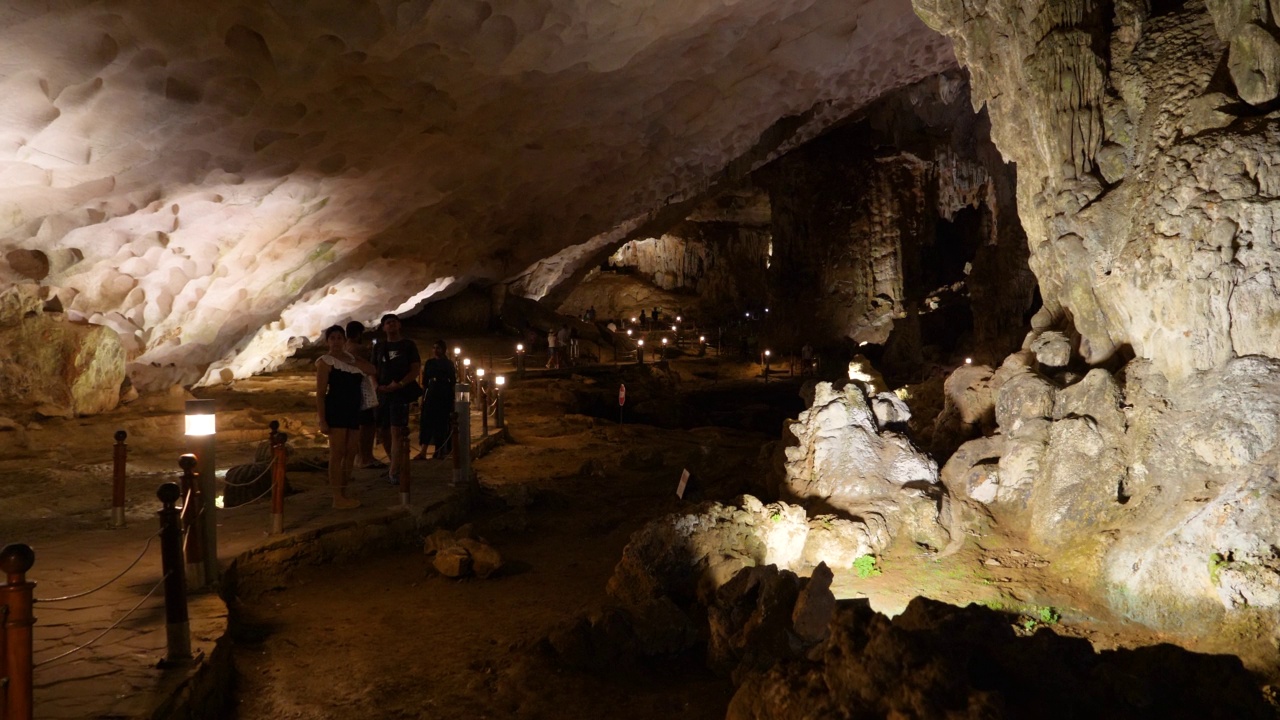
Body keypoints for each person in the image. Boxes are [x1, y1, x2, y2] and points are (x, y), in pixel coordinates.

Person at [316, 325, 375, 509]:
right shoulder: (325, 362)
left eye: (339, 337)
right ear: (327, 341)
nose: (336, 341)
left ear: (344, 340)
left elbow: (372, 370)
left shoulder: (351, 360)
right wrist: (322, 420)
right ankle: (336, 497)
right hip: (336, 409)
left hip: (353, 410)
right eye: (332, 338)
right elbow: (320, 393)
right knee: (337, 453)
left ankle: (344, 492)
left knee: (351, 452)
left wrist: (353, 361)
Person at [374, 314, 421, 487]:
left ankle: (394, 471)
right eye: (387, 323)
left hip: (399, 393)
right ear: (383, 327)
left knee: (396, 431)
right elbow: (373, 368)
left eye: (394, 322)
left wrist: (400, 384)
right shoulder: (379, 347)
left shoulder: (408, 345)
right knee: (383, 430)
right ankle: (395, 464)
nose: (391, 325)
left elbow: (415, 369)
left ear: (399, 325)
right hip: (383, 393)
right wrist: (377, 386)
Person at [345, 321, 382, 469]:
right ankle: (365, 457)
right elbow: (372, 367)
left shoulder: (344, 348)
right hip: (361, 388)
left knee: (358, 425)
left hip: (350, 389)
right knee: (367, 424)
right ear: (359, 334)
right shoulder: (358, 349)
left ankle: (360, 457)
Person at [415, 340, 457, 460]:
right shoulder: (429, 363)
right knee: (427, 421)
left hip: (444, 393)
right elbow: (425, 382)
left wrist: (453, 398)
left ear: (443, 349)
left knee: (441, 423)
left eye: (438, 348)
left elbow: (452, 381)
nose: (435, 350)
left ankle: (439, 451)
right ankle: (423, 450)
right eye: (433, 348)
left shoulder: (448, 363)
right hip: (432, 393)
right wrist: (423, 398)